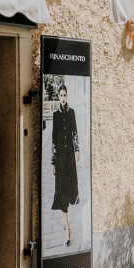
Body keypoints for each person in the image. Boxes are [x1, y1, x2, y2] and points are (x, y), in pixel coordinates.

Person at [51, 84, 81, 247]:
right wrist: (52, 161)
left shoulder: (71, 113)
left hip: (69, 156)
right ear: (58, 97)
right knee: (60, 189)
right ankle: (67, 228)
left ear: (67, 96)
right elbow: (54, 139)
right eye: (61, 95)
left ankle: (67, 221)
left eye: (65, 95)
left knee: (70, 188)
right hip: (60, 158)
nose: (63, 97)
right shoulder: (55, 115)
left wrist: (77, 150)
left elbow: (74, 133)